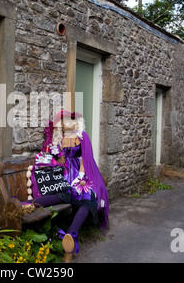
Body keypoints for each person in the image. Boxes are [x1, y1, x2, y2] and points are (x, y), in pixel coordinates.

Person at [32, 111, 109, 261]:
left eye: (71, 120)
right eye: (64, 121)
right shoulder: (60, 139)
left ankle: (70, 236)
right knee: (61, 194)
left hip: (81, 174)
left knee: (86, 196)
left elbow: (85, 159)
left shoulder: (82, 136)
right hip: (65, 173)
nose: (68, 123)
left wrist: (81, 176)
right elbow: (59, 161)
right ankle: (30, 205)